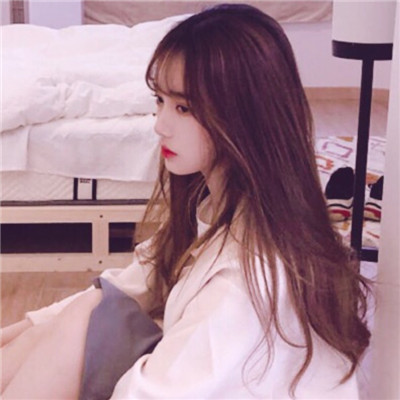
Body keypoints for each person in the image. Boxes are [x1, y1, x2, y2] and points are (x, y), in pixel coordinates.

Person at [0, 4, 371, 399]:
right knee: (86, 310)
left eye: (183, 108)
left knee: (84, 319)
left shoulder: (245, 278)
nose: (160, 125)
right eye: (159, 101)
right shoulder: (218, 206)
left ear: (245, 115)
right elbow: (134, 280)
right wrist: (20, 330)